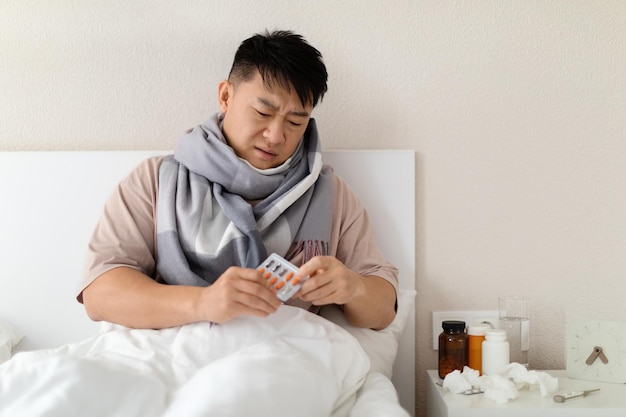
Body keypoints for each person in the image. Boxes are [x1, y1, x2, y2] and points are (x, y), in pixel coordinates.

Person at [78, 30, 398, 331]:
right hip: (177, 355)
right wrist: (203, 303)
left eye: (295, 121)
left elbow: (384, 310)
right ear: (226, 96)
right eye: (262, 113)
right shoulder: (157, 181)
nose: (275, 135)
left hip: (284, 362)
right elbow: (100, 292)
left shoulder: (328, 193)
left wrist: (353, 288)